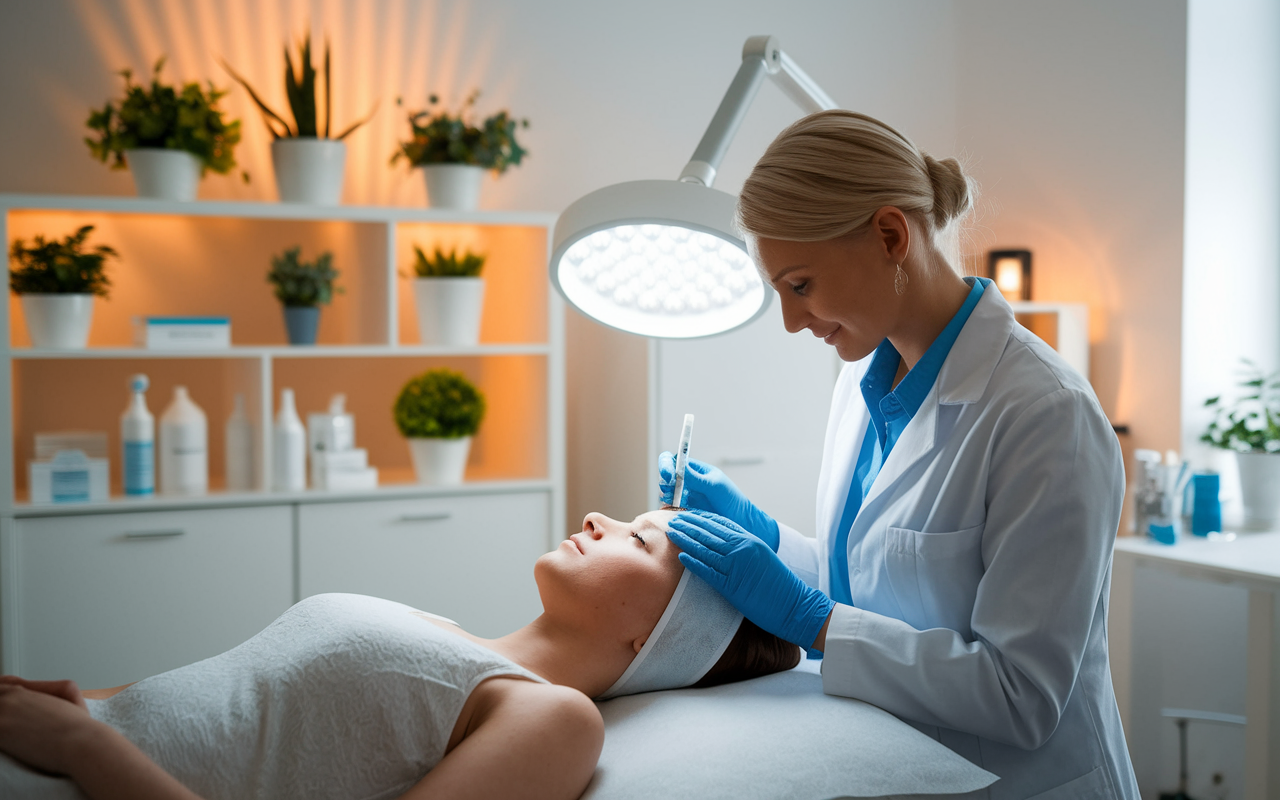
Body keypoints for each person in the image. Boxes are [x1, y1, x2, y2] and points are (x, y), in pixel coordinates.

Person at [660, 109, 1140, 799]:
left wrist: (811, 620)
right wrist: (759, 534)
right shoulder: (860, 381)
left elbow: (1022, 697)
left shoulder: (1045, 414)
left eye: (801, 285)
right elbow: (862, 582)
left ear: (891, 235)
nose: (793, 321)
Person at [0, 508, 798, 800]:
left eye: (642, 538)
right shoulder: (444, 631)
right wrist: (82, 709)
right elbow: (238, 705)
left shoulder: (551, 717)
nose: (598, 518)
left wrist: (83, 745)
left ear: (658, 633)